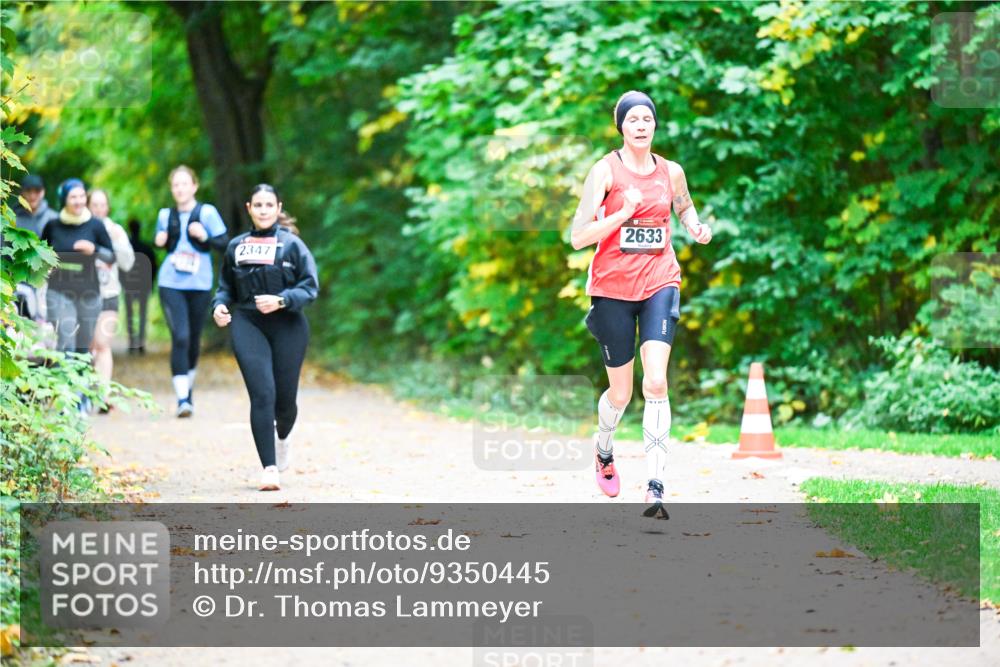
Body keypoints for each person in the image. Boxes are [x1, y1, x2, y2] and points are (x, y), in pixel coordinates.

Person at [569, 91, 712, 519]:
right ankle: (605, 448)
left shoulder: (671, 171)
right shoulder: (604, 171)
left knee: (655, 382)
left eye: (647, 117)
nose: (641, 124)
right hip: (612, 289)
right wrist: (620, 215)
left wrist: (696, 226)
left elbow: (684, 207)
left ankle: (655, 486)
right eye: (632, 118)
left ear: (655, 125)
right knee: (621, 391)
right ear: (621, 127)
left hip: (659, 282)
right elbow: (578, 237)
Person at [212, 184, 318, 491]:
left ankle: (283, 439)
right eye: (257, 205)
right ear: (249, 208)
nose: (262, 210)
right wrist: (219, 306)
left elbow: (310, 287)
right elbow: (225, 288)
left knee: (285, 403)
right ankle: (269, 467)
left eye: (268, 205)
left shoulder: (292, 245)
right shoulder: (236, 246)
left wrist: (282, 300)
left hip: (288, 325)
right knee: (262, 394)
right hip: (248, 322)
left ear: (278, 207)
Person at [154, 165, 228, 418]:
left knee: (194, 340)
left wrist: (205, 236)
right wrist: (160, 241)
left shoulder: (206, 212)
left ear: (194, 186)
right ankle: (182, 398)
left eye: (184, 184)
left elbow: (224, 244)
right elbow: (162, 242)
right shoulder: (166, 215)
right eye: (175, 185)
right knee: (181, 337)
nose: (180, 189)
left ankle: (188, 389)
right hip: (170, 283)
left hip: (200, 283)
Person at [41, 179, 116, 413]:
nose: (79, 201)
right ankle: (67, 401)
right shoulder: (52, 225)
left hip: (89, 294)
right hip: (58, 292)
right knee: (66, 342)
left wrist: (95, 251)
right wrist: (46, 266)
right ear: (64, 199)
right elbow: (40, 254)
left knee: (84, 347)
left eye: (82, 196)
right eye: (73, 197)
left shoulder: (95, 225)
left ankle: (81, 399)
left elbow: (111, 257)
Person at [87, 189, 135, 402]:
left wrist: (118, 242)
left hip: (109, 293)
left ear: (107, 207)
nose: (98, 209)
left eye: (102, 205)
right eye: (94, 205)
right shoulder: (80, 229)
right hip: (82, 294)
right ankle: (87, 392)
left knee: (102, 344)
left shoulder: (115, 230)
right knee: (87, 346)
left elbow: (128, 263)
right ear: (87, 206)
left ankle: (103, 395)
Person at [13, 174, 59, 322]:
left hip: (47, 286)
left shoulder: (54, 219)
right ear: (22, 193)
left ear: (43, 192)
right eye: (28, 191)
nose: (32, 195)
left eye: (37, 191)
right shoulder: (12, 220)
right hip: (17, 286)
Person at [122, 219, 158, 354]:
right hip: (144, 285)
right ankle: (141, 343)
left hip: (129, 286)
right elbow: (154, 267)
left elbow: (121, 268)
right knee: (142, 314)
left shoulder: (126, 247)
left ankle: (132, 342)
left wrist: (123, 283)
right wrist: (151, 283)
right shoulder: (146, 248)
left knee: (130, 314)